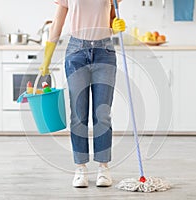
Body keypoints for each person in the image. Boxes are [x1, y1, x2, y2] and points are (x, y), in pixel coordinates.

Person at [39, 0, 125, 188]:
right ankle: (81, 168)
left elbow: (112, 16)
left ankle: (103, 167)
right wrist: (47, 59)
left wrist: (116, 25)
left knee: (102, 113)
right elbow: (57, 24)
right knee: (78, 115)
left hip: (105, 51)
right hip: (76, 53)